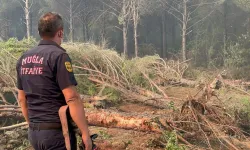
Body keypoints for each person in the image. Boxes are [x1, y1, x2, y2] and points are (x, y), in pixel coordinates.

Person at [16, 12, 92, 150]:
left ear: (40, 32)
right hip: (56, 134)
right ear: (60, 33)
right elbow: (72, 98)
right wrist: (86, 134)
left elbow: (22, 99)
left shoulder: (23, 59)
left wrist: (32, 125)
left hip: (34, 133)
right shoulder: (59, 56)